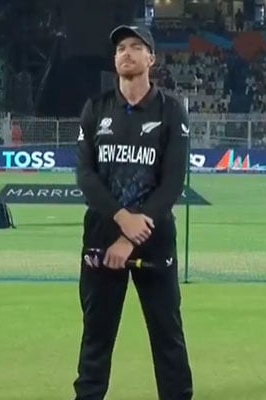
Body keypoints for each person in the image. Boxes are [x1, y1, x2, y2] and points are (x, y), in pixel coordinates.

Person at [73, 25, 193, 400]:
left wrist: (131, 234)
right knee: (96, 333)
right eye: (121, 48)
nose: (126, 53)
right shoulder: (96, 108)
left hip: (153, 236)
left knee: (167, 333)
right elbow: (86, 176)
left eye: (136, 47)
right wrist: (122, 220)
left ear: (151, 58)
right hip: (102, 234)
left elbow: (173, 181)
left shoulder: (171, 110)